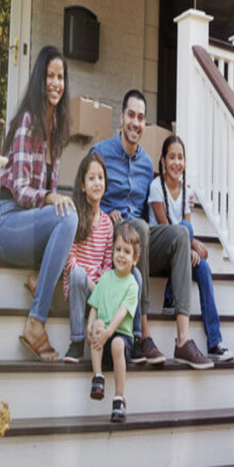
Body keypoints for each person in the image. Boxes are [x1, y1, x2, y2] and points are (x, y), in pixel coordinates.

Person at [93, 90, 213, 369]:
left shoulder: (148, 164)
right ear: (121, 117)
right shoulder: (101, 153)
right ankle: (143, 335)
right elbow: (85, 193)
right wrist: (102, 213)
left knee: (181, 233)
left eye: (141, 117)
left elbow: (160, 210)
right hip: (117, 238)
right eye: (131, 115)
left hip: (143, 237)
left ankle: (183, 340)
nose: (136, 122)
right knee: (140, 228)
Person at [0, 45, 78, 363]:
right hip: (8, 223)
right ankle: (35, 323)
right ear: (39, 80)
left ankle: (44, 277)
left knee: (72, 216)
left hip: (29, 226)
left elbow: (50, 202)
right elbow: (18, 188)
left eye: (61, 77)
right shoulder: (28, 122)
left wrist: (53, 200)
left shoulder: (55, 130)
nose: (56, 83)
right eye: (50, 76)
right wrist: (48, 197)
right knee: (66, 217)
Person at [148, 135, 233, 363]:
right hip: (161, 253)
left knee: (203, 268)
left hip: (179, 257)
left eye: (181, 157)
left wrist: (192, 247)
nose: (177, 163)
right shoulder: (156, 188)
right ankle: (169, 296)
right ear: (163, 161)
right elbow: (168, 229)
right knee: (184, 229)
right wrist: (192, 244)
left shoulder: (186, 191)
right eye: (172, 157)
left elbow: (187, 227)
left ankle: (214, 342)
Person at [61, 150, 145, 364]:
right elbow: (70, 260)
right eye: (91, 178)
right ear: (82, 185)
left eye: (100, 178)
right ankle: (77, 341)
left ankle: (134, 338)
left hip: (102, 288)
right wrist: (95, 287)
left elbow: (109, 263)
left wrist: (105, 288)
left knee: (134, 274)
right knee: (78, 273)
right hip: (80, 286)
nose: (97, 183)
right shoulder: (74, 216)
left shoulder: (108, 223)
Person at [87, 222, 141, 423]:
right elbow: (94, 305)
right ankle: (98, 377)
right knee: (97, 324)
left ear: (135, 259)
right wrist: (90, 325)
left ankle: (119, 398)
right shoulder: (106, 278)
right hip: (103, 339)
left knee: (117, 342)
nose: (121, 255)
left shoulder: (132, 285)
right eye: (118, 249)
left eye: (127, 252)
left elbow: (121, 313)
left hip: (121, 338)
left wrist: (109, 332)